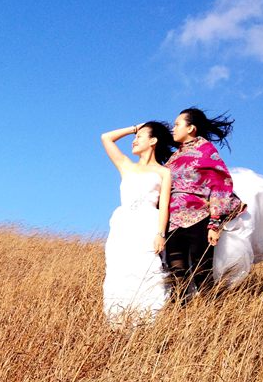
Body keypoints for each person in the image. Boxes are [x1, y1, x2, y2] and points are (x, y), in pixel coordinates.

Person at [100, 121, 174, 325]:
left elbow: (164, 205)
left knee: (147, 270)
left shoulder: (164, 172)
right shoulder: (126, 165)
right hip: (123, 227)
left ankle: (148, 324)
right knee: (119, 271)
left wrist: (160, 234)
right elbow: (106, 137)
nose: (134, 141)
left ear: (153, 140)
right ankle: (118, 323)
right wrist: (135, 128)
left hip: (148, 225)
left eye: (139, 137)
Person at [165, 108, 243, 302]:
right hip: (173, 223)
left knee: (202, 275)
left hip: (199, 218)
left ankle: (214, 315)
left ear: (191, 128)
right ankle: (179, 317)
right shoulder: (174, 157)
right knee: (177, 277)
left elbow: (220, 185)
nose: (173, 128)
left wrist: (214, 223)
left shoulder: (206, 150)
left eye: (177, 124)